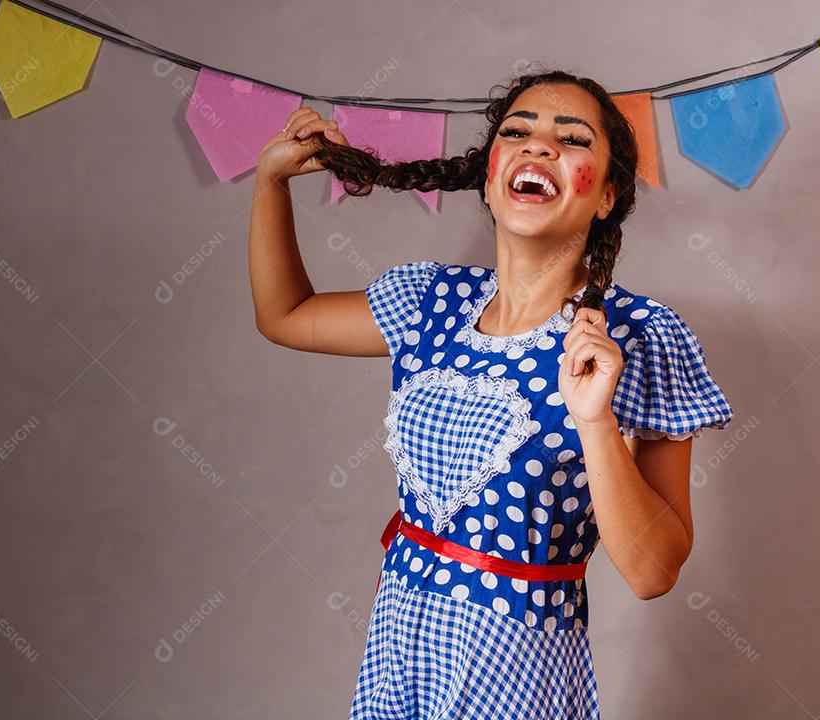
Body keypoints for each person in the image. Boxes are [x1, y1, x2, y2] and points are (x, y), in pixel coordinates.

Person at [248, 68, 735, 720]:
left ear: (607, 196)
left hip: (519, 670)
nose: (539, 147)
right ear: (490, 175)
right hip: (399, 652)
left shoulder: (637, 338)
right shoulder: (430, 303)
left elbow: (654, 573)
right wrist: (270, 184)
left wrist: (594, 424)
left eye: (571, 139)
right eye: (518, 131)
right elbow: (286, 312)